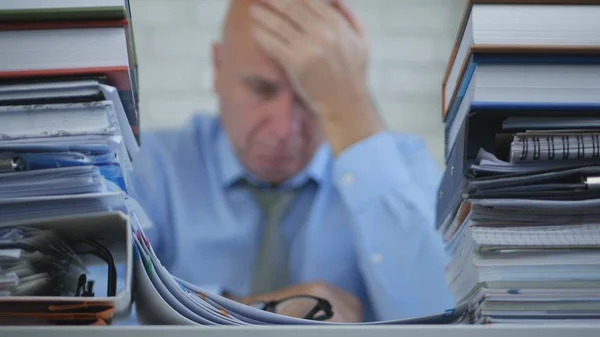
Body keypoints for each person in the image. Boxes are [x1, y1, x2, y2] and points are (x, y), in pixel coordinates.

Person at [130, 0, 454, 323]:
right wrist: (265, 311)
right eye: (262, 88)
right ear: (217, 67)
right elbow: (95, 317)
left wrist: (352, 111)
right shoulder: (147, 166)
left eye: (311, 95)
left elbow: (445, 318)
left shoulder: (398, 168)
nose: (285, 130)